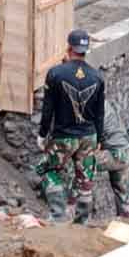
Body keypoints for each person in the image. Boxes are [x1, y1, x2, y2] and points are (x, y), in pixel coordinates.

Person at [39, 29, 105, 224]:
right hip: (89, 136)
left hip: (63, 136)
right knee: (85, 179)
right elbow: (100, 113)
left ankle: (58, 216)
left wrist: (42, 134)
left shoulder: (56, 74)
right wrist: (99, 138)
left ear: (69, 47)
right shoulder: (97, 77)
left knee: (51, 171)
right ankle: (82, 221)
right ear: (86, 50)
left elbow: (48, 108)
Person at [95, 102, 129, 218]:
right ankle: (128, 218)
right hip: (126, 152)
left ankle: (71, 214)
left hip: (115, 154)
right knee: (123, 191)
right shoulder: (105, 103)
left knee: (81, 163)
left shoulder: (92, 105)